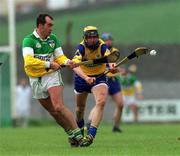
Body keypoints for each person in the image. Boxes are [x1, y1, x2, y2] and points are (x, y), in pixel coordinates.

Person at [22, 13, 88, 147]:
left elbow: (60, 57)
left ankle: (80, 136)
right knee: (53, 111)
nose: (51, 28)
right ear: (40, 26)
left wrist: (68, 61)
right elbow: (28, 61)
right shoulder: (28, 40)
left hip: (51, 75)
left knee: (58, 106)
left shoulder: (53, 39)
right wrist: (49, 64)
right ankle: (71, 134)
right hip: (35, 79)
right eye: (49, 25)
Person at [72, 26, 117, 146]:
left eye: (95, 37)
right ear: (85, 38)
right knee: (79, 109)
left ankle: (91, 135)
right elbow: (75, 66)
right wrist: (86, 78)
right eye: (90, 37)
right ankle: (79, 133)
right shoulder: (81, 47)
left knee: (101, 102)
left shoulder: (102, 46)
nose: (93, 40)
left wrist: (112, 66)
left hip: (99, 77)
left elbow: (110, 58)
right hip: (82, 77)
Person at [87, 33, 124, 133]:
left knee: (120, 104)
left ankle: (116, 126)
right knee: (100, 102)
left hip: (114, 81)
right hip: (104, 80)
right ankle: (90, 122)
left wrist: (118, 70)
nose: (108, 42)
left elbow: (113, 65)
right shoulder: (97, 51)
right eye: (106, 40)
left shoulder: (115, 52)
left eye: (110, 40)